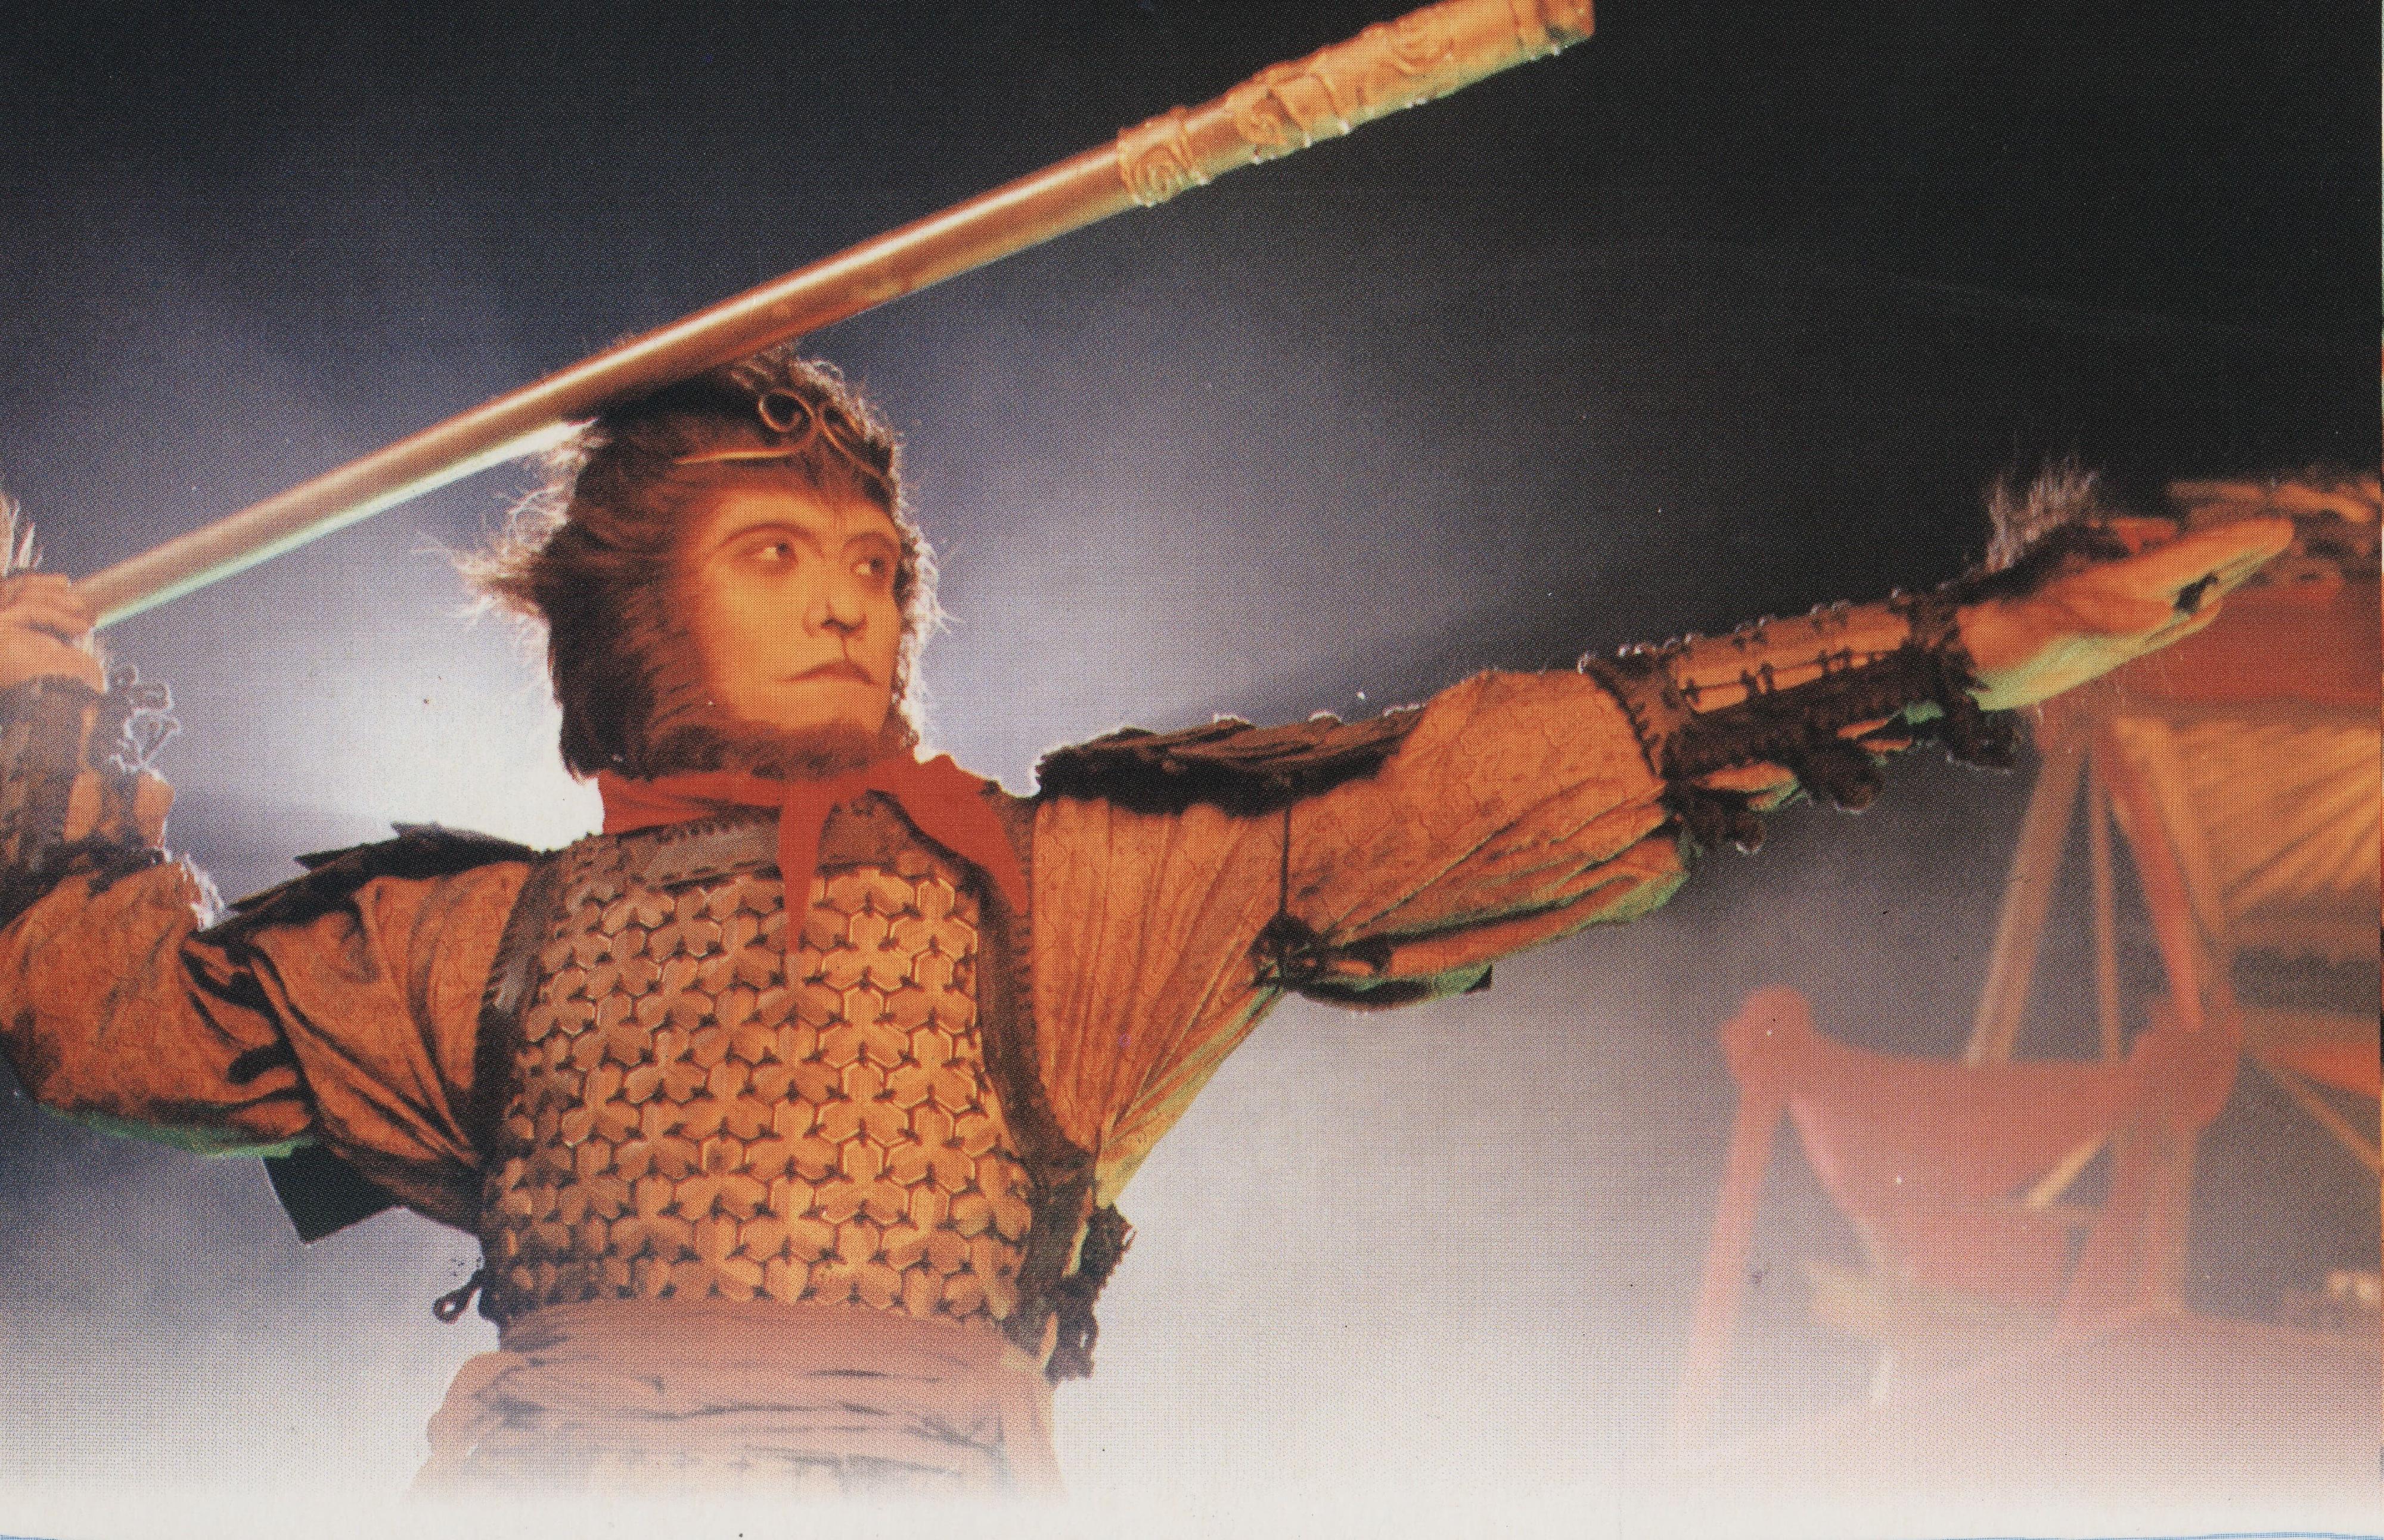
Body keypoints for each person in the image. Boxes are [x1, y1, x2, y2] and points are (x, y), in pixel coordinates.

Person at [0, 347, 2287, 1496]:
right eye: (777, 553)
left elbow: (1506, 782)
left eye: (874, 562)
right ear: (634, 611)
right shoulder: (468, 945)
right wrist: (38, 726)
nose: (852, 596)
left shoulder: (1073, 888)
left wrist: (1980, 642)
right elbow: (115, 1027)